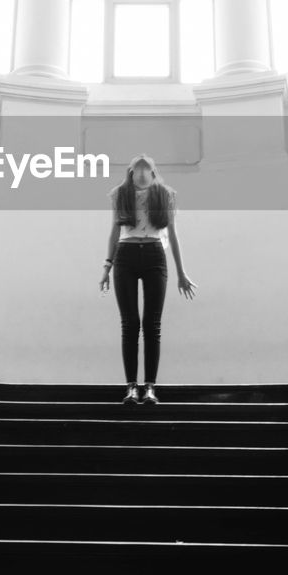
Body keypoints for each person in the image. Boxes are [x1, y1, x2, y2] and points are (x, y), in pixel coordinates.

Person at [99, 153, 197, 405]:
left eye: (146, 168)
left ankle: (150, 387)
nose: (141, 173)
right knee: (130, 324)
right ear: (130, 172)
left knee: (152, 325)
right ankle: (132, 386)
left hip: (154, 254)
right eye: (137, 168)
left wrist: (181, 273)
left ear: (153, 172)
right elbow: (114, 231)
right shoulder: (119, 194)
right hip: (125, 254)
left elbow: (173, 235)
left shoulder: (165, 195)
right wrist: (106, 267)